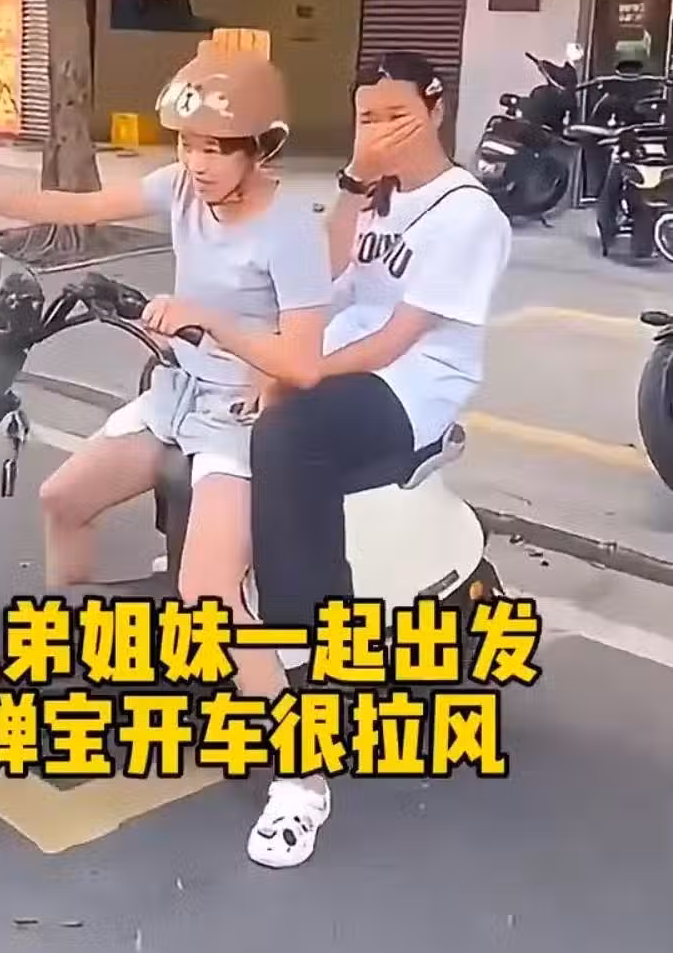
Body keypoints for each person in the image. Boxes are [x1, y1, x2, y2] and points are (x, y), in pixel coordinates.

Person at [0, 42, 334, 853]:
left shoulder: (291, 229)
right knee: (62, 499)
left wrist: (211, 321)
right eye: (188, 143)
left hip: (239, 414)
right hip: (176, 394)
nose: (198, 162)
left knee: (210, 595)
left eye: (217, 148)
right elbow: (76, 206)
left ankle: (303, 781)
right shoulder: (179, 188)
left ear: (263, 148)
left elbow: (304, 363)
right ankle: (84, 670)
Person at [244, 50, 513, 869]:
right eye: (367, 118)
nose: (382, 130)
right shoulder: (374, 197)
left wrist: (294, 376)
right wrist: (356, 184)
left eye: (397, 115)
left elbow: (397, 340)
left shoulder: (468, 215)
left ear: (436, 108)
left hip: (412, 387)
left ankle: (309, 663)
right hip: (344, 359)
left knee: (288, 435)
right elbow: (318, 279)